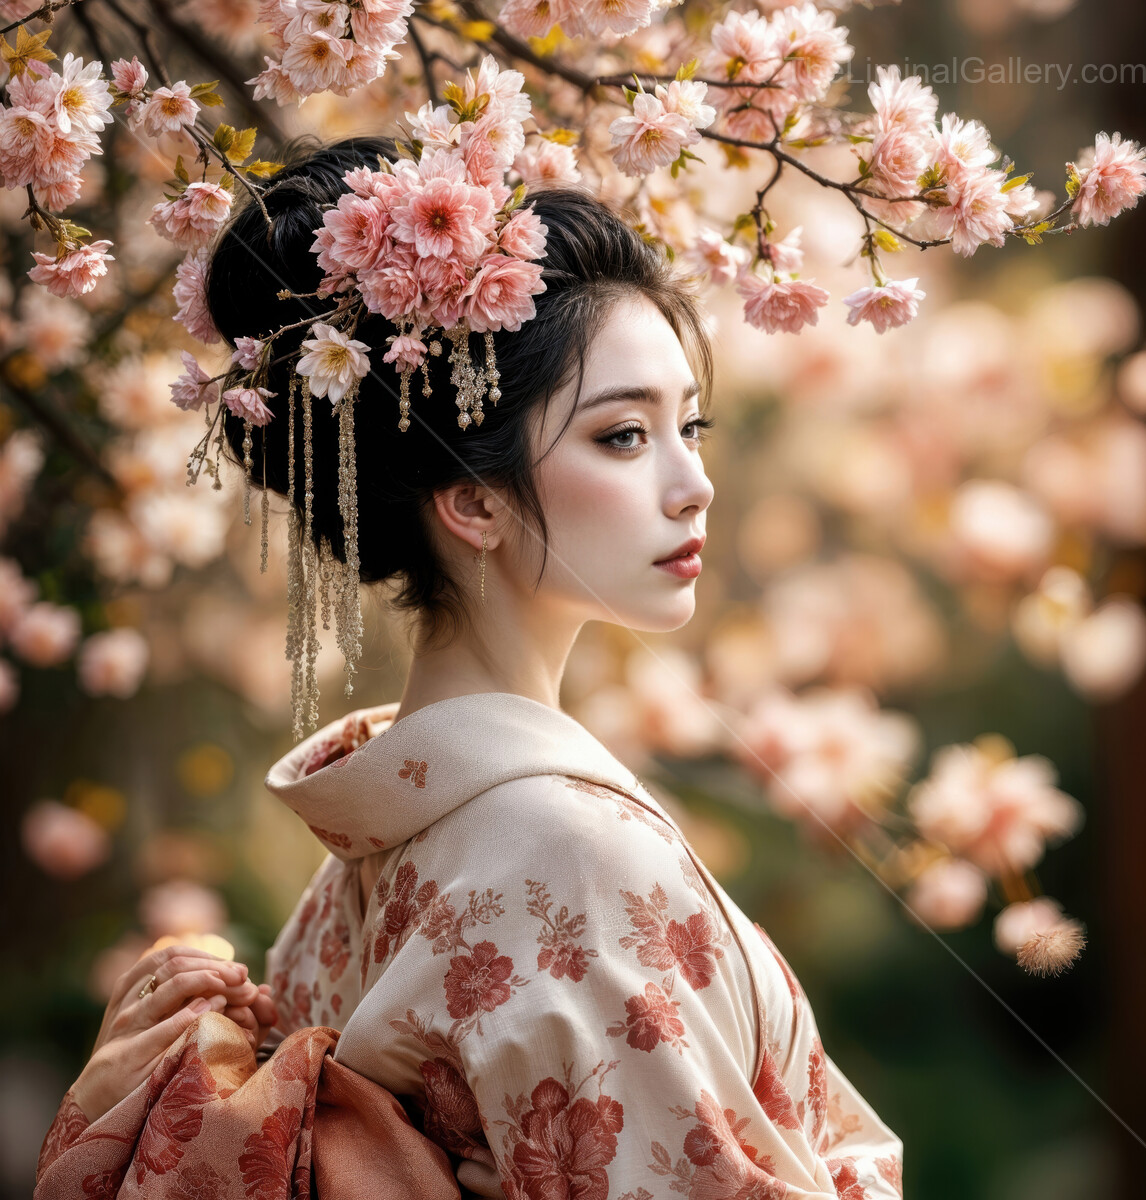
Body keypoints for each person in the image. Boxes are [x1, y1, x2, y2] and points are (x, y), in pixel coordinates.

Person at [46, 135, 904, 1198]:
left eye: (691, 426)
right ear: (473, 502)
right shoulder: (570, 863)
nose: (695, 484)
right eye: (624, 436)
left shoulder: (354, 871)